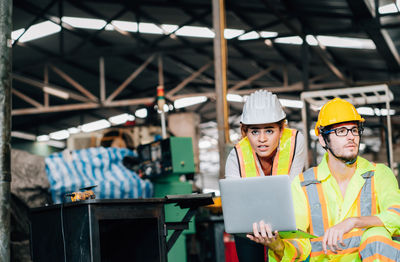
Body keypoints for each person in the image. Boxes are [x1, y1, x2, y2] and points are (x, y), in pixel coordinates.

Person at [248, 98, 400, 261]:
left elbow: (397, 215)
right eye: (341, 131)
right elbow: (299, 242)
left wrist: (355, 221)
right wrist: (278, 246)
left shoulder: (379, 174)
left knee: (376, 234)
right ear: (322, 139)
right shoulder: (303, 185)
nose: (351, 137)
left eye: (354, 130)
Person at [225, 90, 306, 261]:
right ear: (244, 131)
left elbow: (294, 190)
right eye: (254, 132)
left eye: (269, 131)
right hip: (249, 229)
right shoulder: (235, 156)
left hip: (286, 223)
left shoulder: (296, 142)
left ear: (281, 129)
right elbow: (235, 208)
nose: (262, 139)